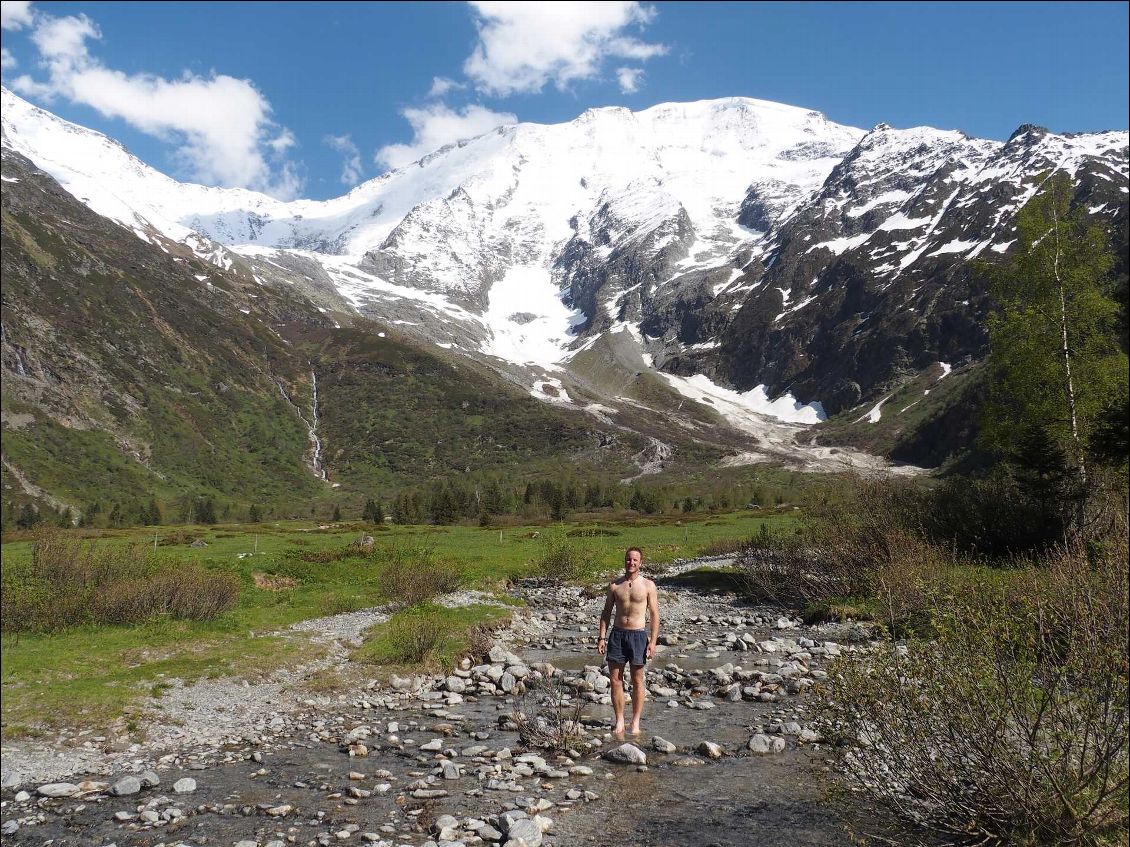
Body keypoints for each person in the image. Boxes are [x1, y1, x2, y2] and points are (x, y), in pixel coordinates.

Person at [598, 546, 660, 735]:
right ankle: (619, 721)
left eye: (635, 560)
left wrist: (653, 641)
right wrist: (601, 637)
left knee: (638, 679)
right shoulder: (615, 585)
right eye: (628, 559)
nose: (631, 563)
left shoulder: (648, 585)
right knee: (615, 680)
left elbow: (655, 614)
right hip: (617, 635)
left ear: (640, 563)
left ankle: (635, 722)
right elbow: (606, 612)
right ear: (624, 561)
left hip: (638, 635)